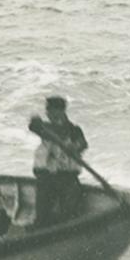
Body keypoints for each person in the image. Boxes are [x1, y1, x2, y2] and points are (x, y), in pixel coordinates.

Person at [31, 95, 88, 226]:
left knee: (68, 213)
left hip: (66, 177)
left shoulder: (74, 130)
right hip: (45, 175)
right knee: (42, 213)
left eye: (50, 110)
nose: (47, 113)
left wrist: (75, 147)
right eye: (47, 110)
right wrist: (35, 122)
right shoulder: (45, 128)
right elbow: (34, 127)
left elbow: (83, 144)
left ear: (60, 111)